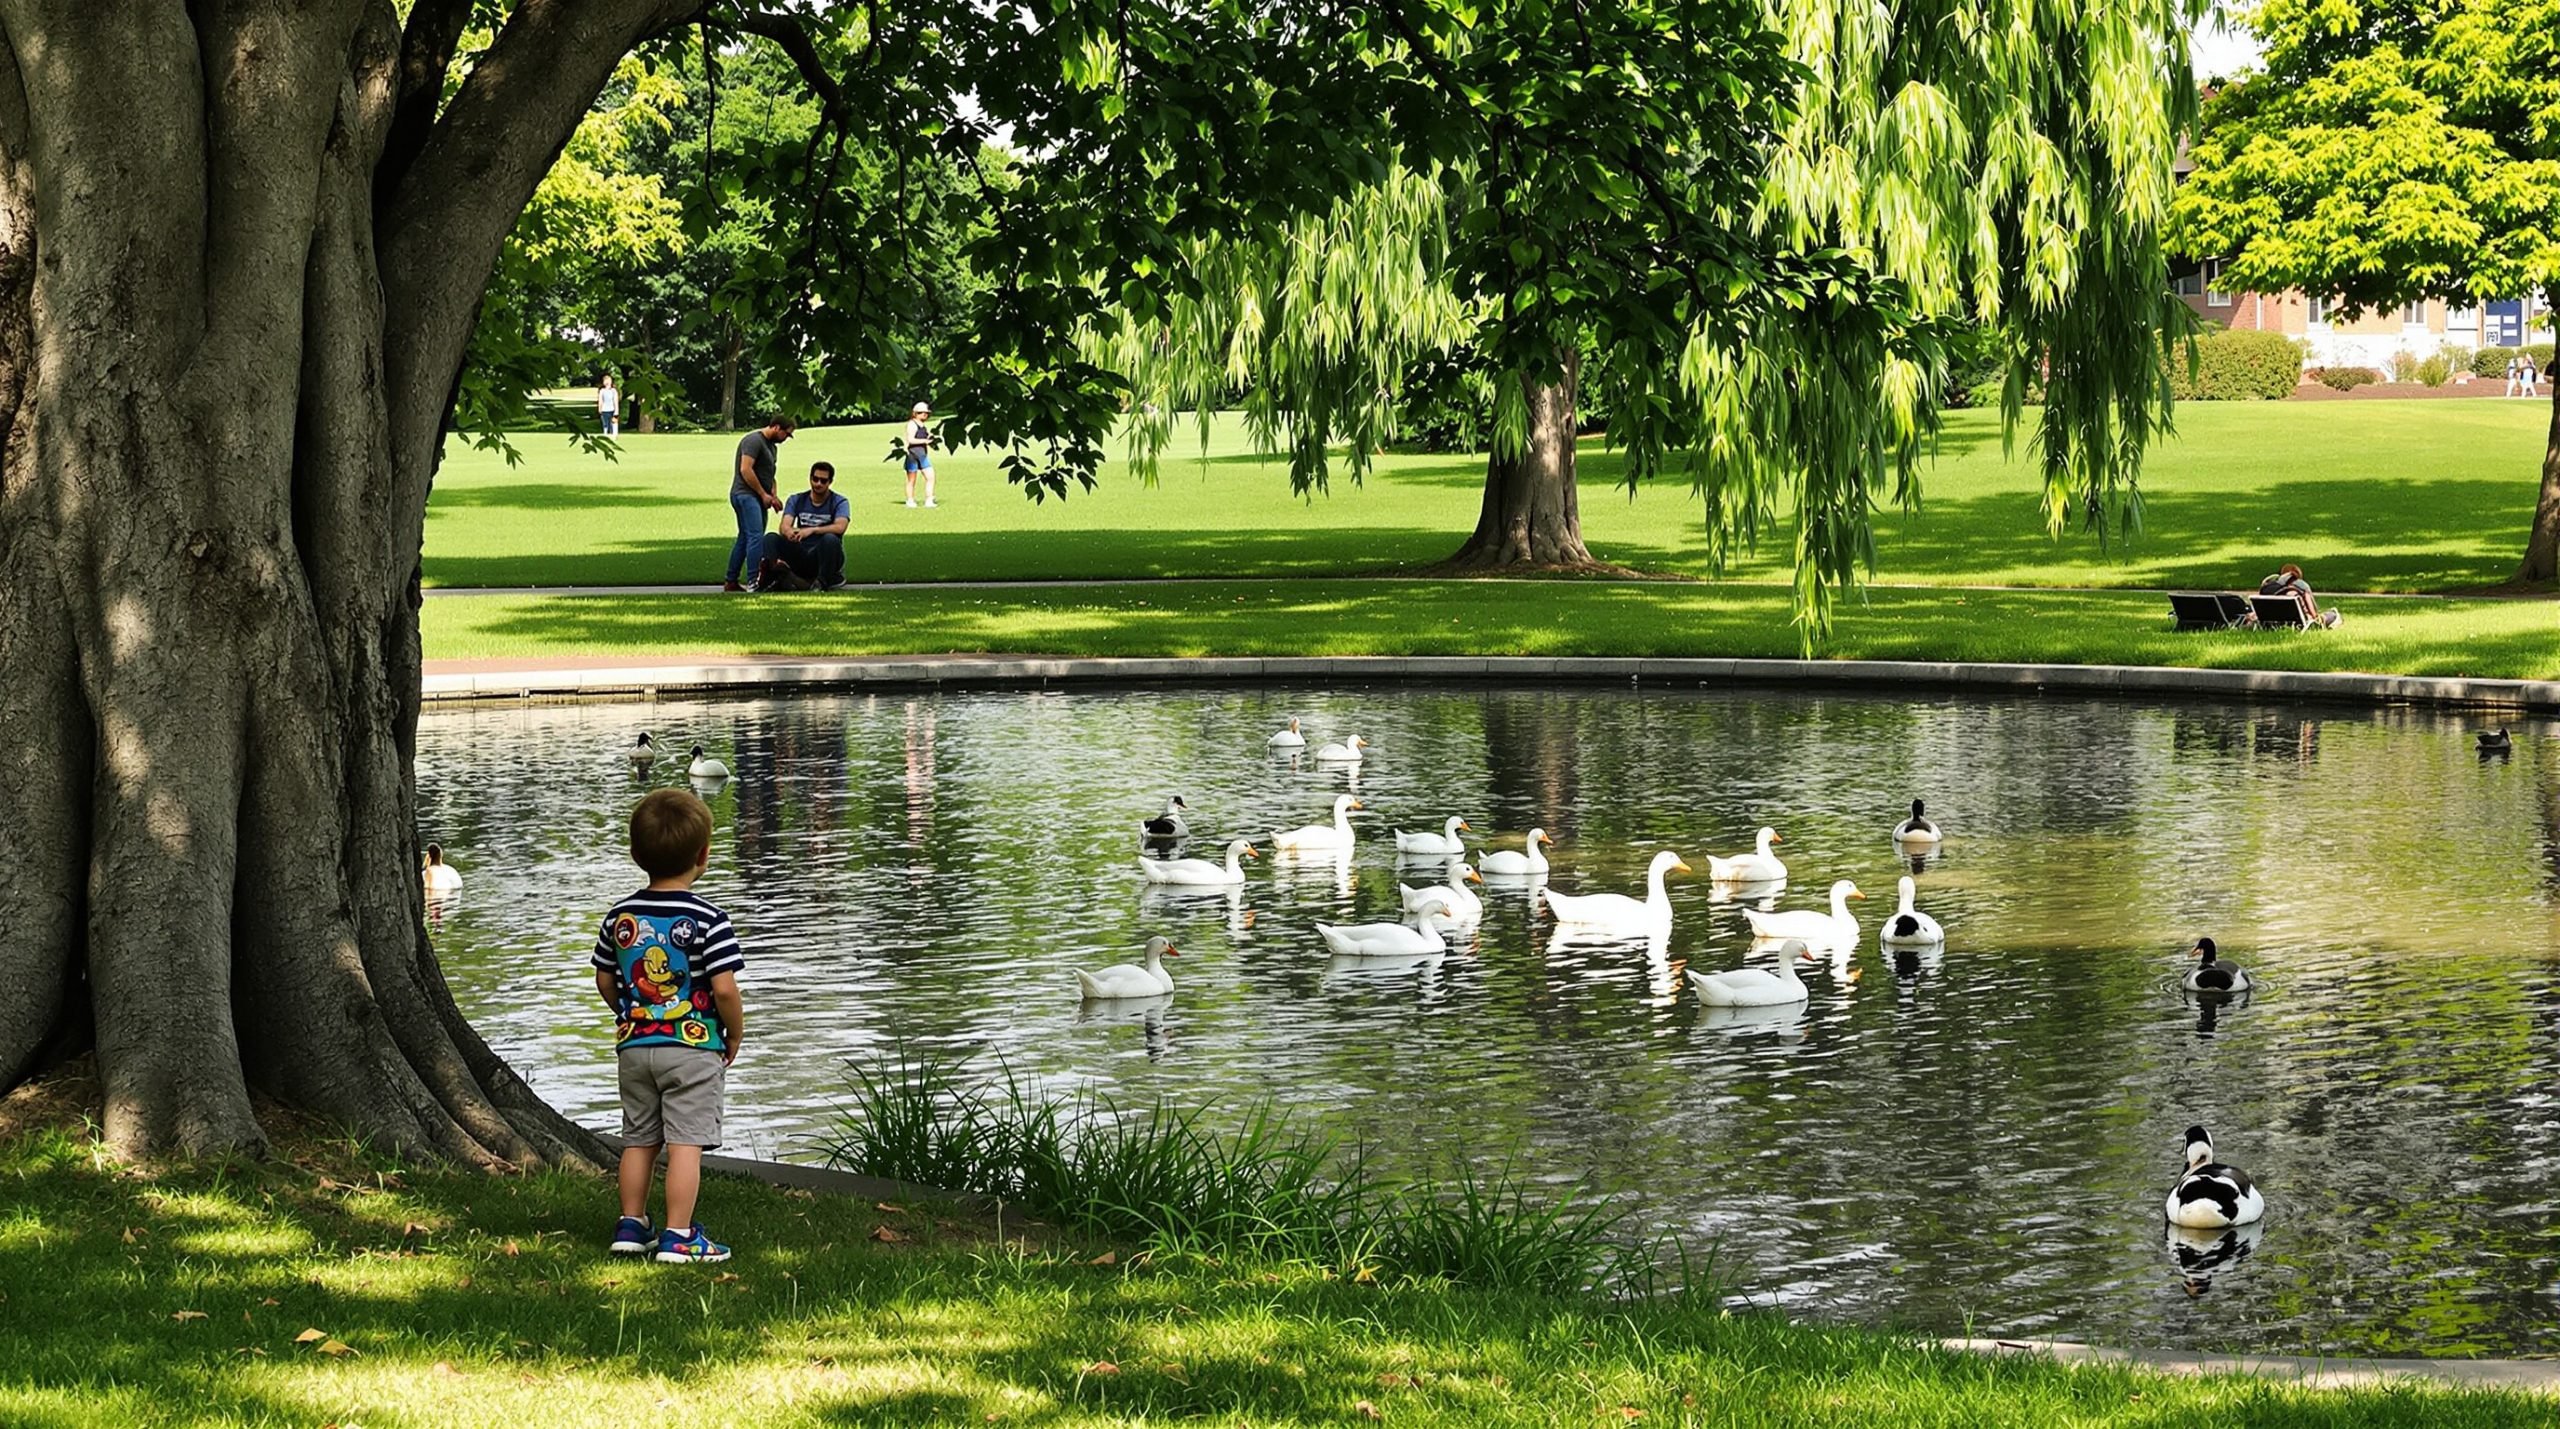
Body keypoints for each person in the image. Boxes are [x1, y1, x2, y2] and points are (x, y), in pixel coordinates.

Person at [594, 789, 746, 1265]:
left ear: (637, 855)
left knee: (638, 1137)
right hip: (693, 1046)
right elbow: (723, 989)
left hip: (635, 1045)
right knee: (686, 1141)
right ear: (703, 856)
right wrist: (734, 1033)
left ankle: (631, 1224)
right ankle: (679, 1235)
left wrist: (628, 1011)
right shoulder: (710, 920)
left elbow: (603, 976)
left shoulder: (620, 917)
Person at [757, 460, 851, 590]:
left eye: (823, 481)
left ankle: (821, 583)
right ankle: (772, 577)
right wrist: (789, 532)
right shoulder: (796, 499)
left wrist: (812, 530)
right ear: (810, 478)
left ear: (830, 482)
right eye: (815, 479)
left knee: (830, 539)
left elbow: (840, 527)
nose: (818, 484)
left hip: (823, 554)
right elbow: (784, 525)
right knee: (770, 538)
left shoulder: (839, 501)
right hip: (801, 551)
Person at [724, 416, 793, 592]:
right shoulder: (753, 441)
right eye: (786, 433)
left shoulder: (771, 447)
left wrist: (773, 496)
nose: (786, 438)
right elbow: (745, 469)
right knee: (756, 537)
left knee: (745, 537)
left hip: (757, 497)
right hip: (745, 495)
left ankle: (731, 581)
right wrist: (763, 494)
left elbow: (769, 475)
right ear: (777, 427)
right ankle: (753, 581)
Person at [2259, 562, 2340, 628]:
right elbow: (2314, 614)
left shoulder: (2269, 590)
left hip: (2274, 623)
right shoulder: (2298, 589)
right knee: (2333, 615)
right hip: (2299, 622)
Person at [903, 401, 937, 508]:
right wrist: (924, 441)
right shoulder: (912, 424)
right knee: (912, 480)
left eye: (926, 413)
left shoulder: (922, 425)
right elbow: (910, 440)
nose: (925, 415)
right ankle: (910, 500)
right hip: (913, 454)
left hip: (922, 454)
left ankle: (929, 499)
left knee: (930, 477)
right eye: (922, 413)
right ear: (915, 414)